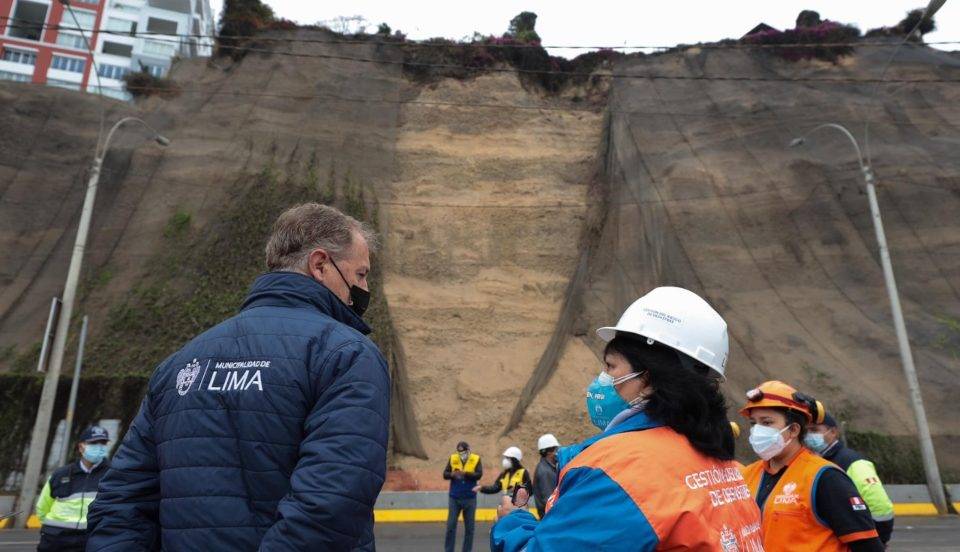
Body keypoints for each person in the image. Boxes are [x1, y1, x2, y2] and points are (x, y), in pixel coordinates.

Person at [86, 203, 391, 551]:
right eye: (362, 274)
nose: (363, 286)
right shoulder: (345, 355)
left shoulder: (181, 362)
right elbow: (332, 501)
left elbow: (121, 500)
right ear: (320, 265)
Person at [492, 287, 763, 551]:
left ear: (647, 376)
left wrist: (512, 523)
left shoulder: (617, 471)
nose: (602, 381)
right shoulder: (726, 466)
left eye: (611, 366)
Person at [740, 381, 884, 551]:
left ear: (793, 430)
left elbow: (867, 546)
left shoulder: (825, 478)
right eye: (753, 423)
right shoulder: (747, 475)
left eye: (767, 422)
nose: (757, 431)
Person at [807, 412, 895, 545]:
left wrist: (877, 542)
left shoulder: (852, 462)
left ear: (833, 432)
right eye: (806, 430)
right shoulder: (813, 461)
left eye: (814, 430)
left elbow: (881, 508)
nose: (809, 436)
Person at [34, 426, 111, 552]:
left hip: (92, 539)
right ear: (81, 447)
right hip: (56, 540)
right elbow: (42, 507)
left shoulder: (113, 474)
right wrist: (52, 530)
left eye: (102, 443)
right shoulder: (60, 474)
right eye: (93, 443)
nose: (99, 447)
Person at [443, 441, 483, 552]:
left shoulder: (476, 459)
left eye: (464, 452)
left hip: (470, 498)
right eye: (459, 452)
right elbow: (445, 474)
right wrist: (452, 474)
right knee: (450, 527)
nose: (462, 454)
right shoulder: (452, 458)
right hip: (454, 498)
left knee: (470, 529)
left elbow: (479, 474)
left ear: (468, 450)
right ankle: (448, 550)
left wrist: (466, 474)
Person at [532, 434, 560, 519]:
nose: (557, 452)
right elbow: (549, 499)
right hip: (550, 517)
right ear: (549, 451)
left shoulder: (549, 467)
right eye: (556, 449)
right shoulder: (545, 471)